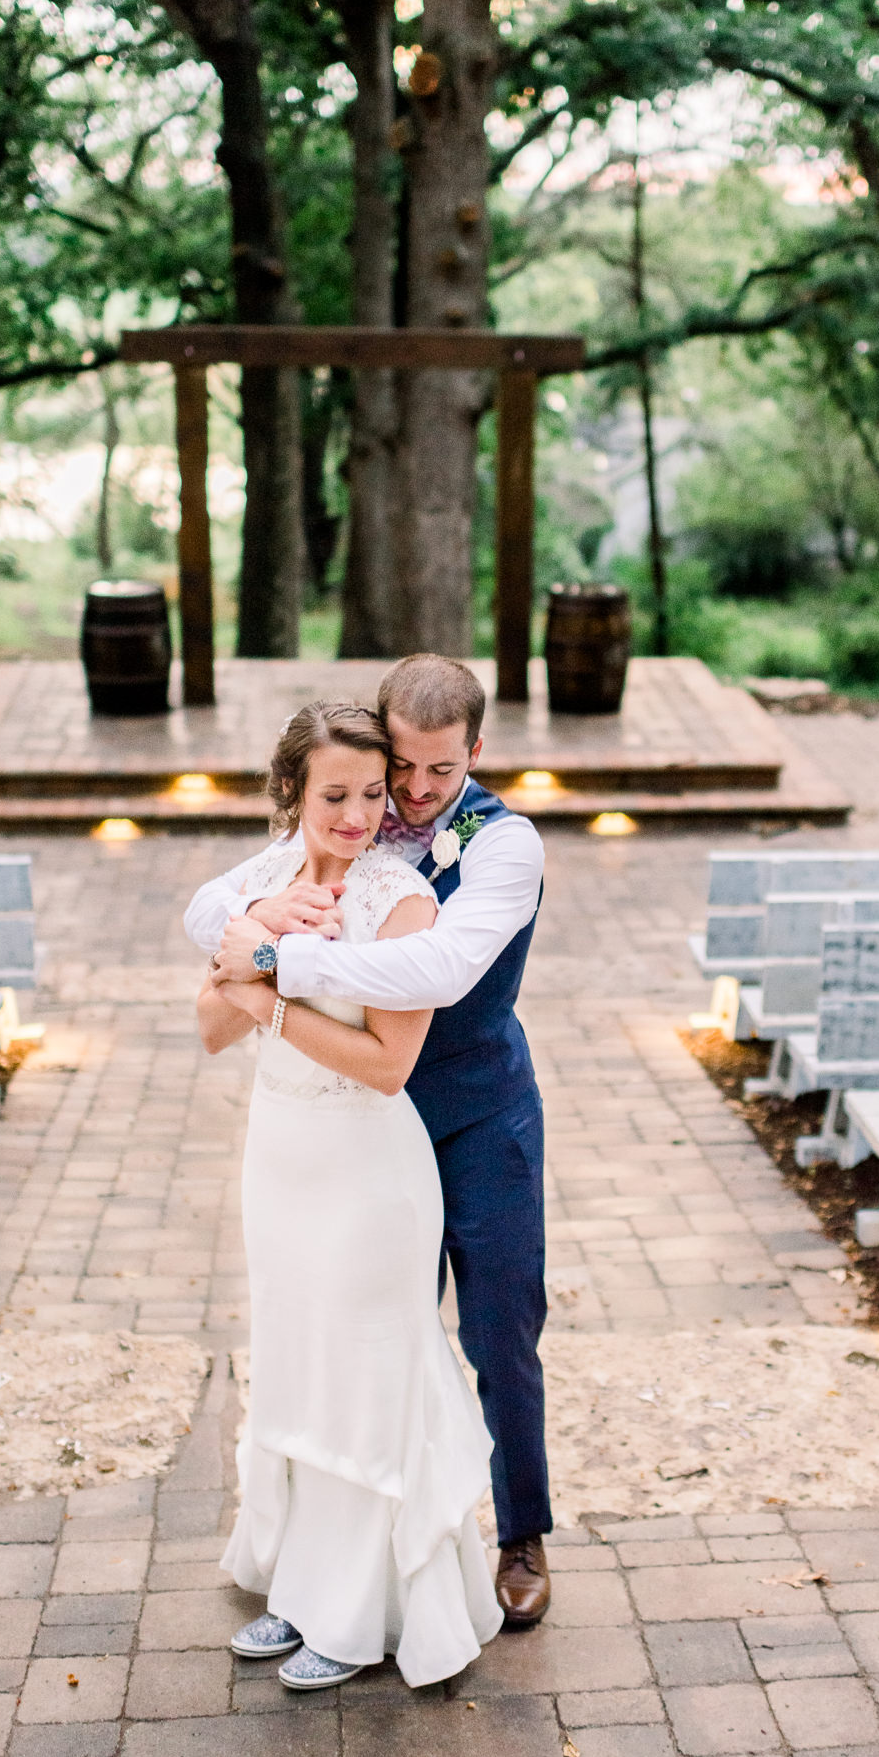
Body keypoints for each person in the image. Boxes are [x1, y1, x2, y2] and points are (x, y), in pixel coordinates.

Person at [186, 654, 553, 1627]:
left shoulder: (504, 845)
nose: (419, 793)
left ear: (474, 751)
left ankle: (520, 1532)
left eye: (442, 770)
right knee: (367, 1338)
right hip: (356, 1135)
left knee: (500, 1328)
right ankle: (371, 1551)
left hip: (474, 1111)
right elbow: (208, 904)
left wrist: (272, 957)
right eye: (407, 769)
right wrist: (250, 913)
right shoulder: (359, 809)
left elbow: (438, 962)